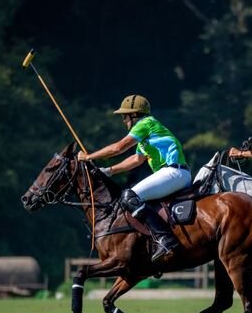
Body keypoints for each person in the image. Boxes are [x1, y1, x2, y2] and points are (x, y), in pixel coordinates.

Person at [77, 94, 191, 262]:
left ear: (134, 115)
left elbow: (118, 148)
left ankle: (165, 239)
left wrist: (89, 157)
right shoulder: (145, 135)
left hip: (173, 172)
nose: (124, 121)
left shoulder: (145, 124)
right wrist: (109, 170)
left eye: (125, 116)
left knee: (129, 197)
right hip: (175, 174)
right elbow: (136, 160)